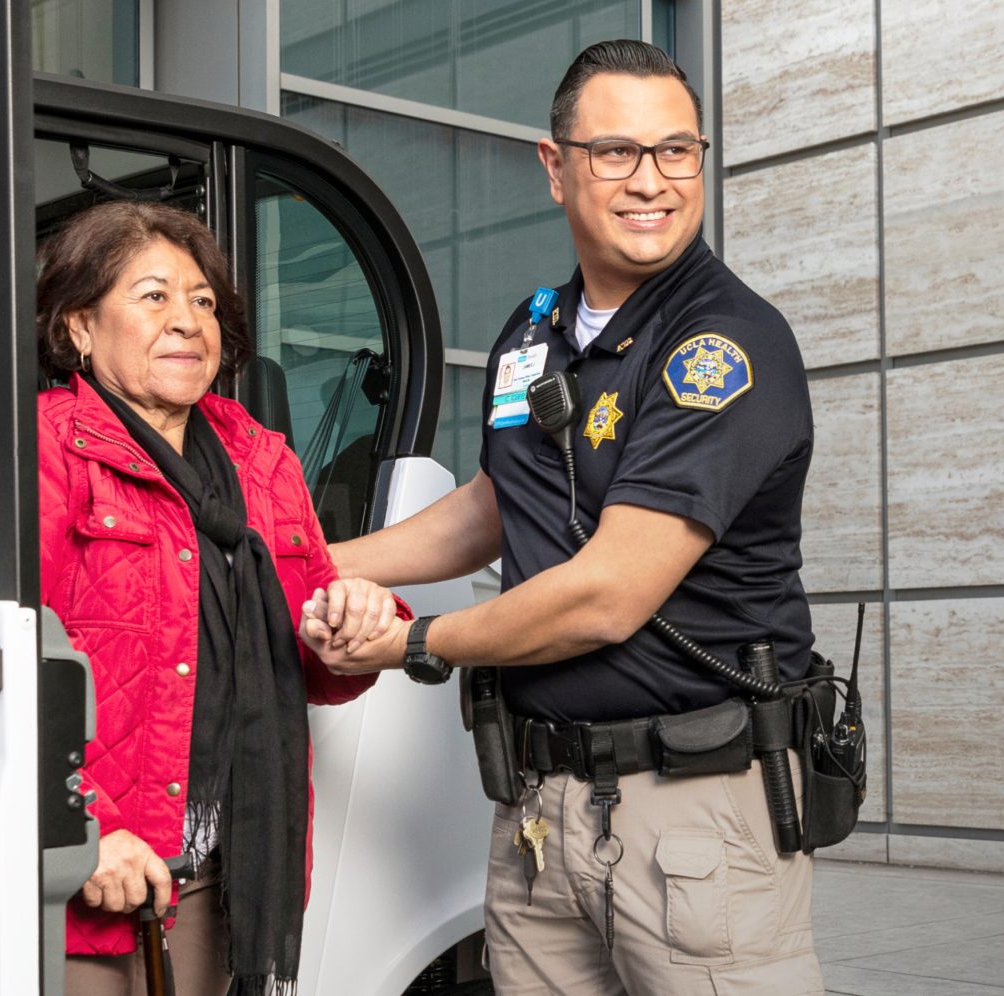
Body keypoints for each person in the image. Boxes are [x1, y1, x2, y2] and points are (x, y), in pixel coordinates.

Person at [301, 39, 825, 995]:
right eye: (616, 152)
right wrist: (312, 561)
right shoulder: (533, 332)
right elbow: (496, 504)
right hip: (538, 812)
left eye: (677, 151)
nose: (652, 181)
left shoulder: (724, 344)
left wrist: (413, 644)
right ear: (556, 168)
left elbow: (608, 597)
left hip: (695, 811)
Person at [0, 200, 400, 996]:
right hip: (91, 874)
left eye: (204, 302)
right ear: (79, 327)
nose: (186, 320)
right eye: (154, 297)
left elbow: (322, 665)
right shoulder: (38, 448)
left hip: (230, 870)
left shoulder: (263, 461)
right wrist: (80, 826)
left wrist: (359, 627)